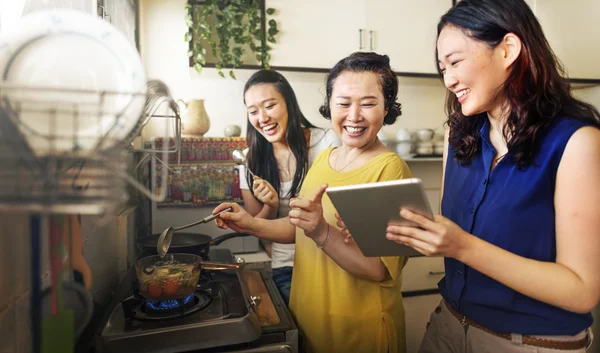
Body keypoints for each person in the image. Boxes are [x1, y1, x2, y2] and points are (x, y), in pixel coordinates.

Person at [383, 0, 600, 351]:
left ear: (508, 50)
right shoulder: (458, 136)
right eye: (442, 68)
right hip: (447, 327)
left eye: (455, 62)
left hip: (529, 343)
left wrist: (463, 247)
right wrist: (385, 228)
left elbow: (581, 291)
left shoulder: (577, 143)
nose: (448, 79)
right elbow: (447, 236)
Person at [213, 52, 412, 353]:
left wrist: (322, 232)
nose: (354, 115)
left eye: (368, 103)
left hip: (358, 329)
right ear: (329, 105)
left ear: (387, 108)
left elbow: (377, 270)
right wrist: (250, 223)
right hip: (310, 319)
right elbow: (299, 227)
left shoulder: (390, 169)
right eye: (343, 103)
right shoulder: (324, 159)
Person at [238, 69, 340, 304]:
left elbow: (333, 213)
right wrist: (271, 206)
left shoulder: (324, 142)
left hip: (331, 261)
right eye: (253, 111)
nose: (262, 118)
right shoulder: (249, 160)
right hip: (286, 268)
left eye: (269, 105)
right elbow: (256, 226)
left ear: (289, 104)